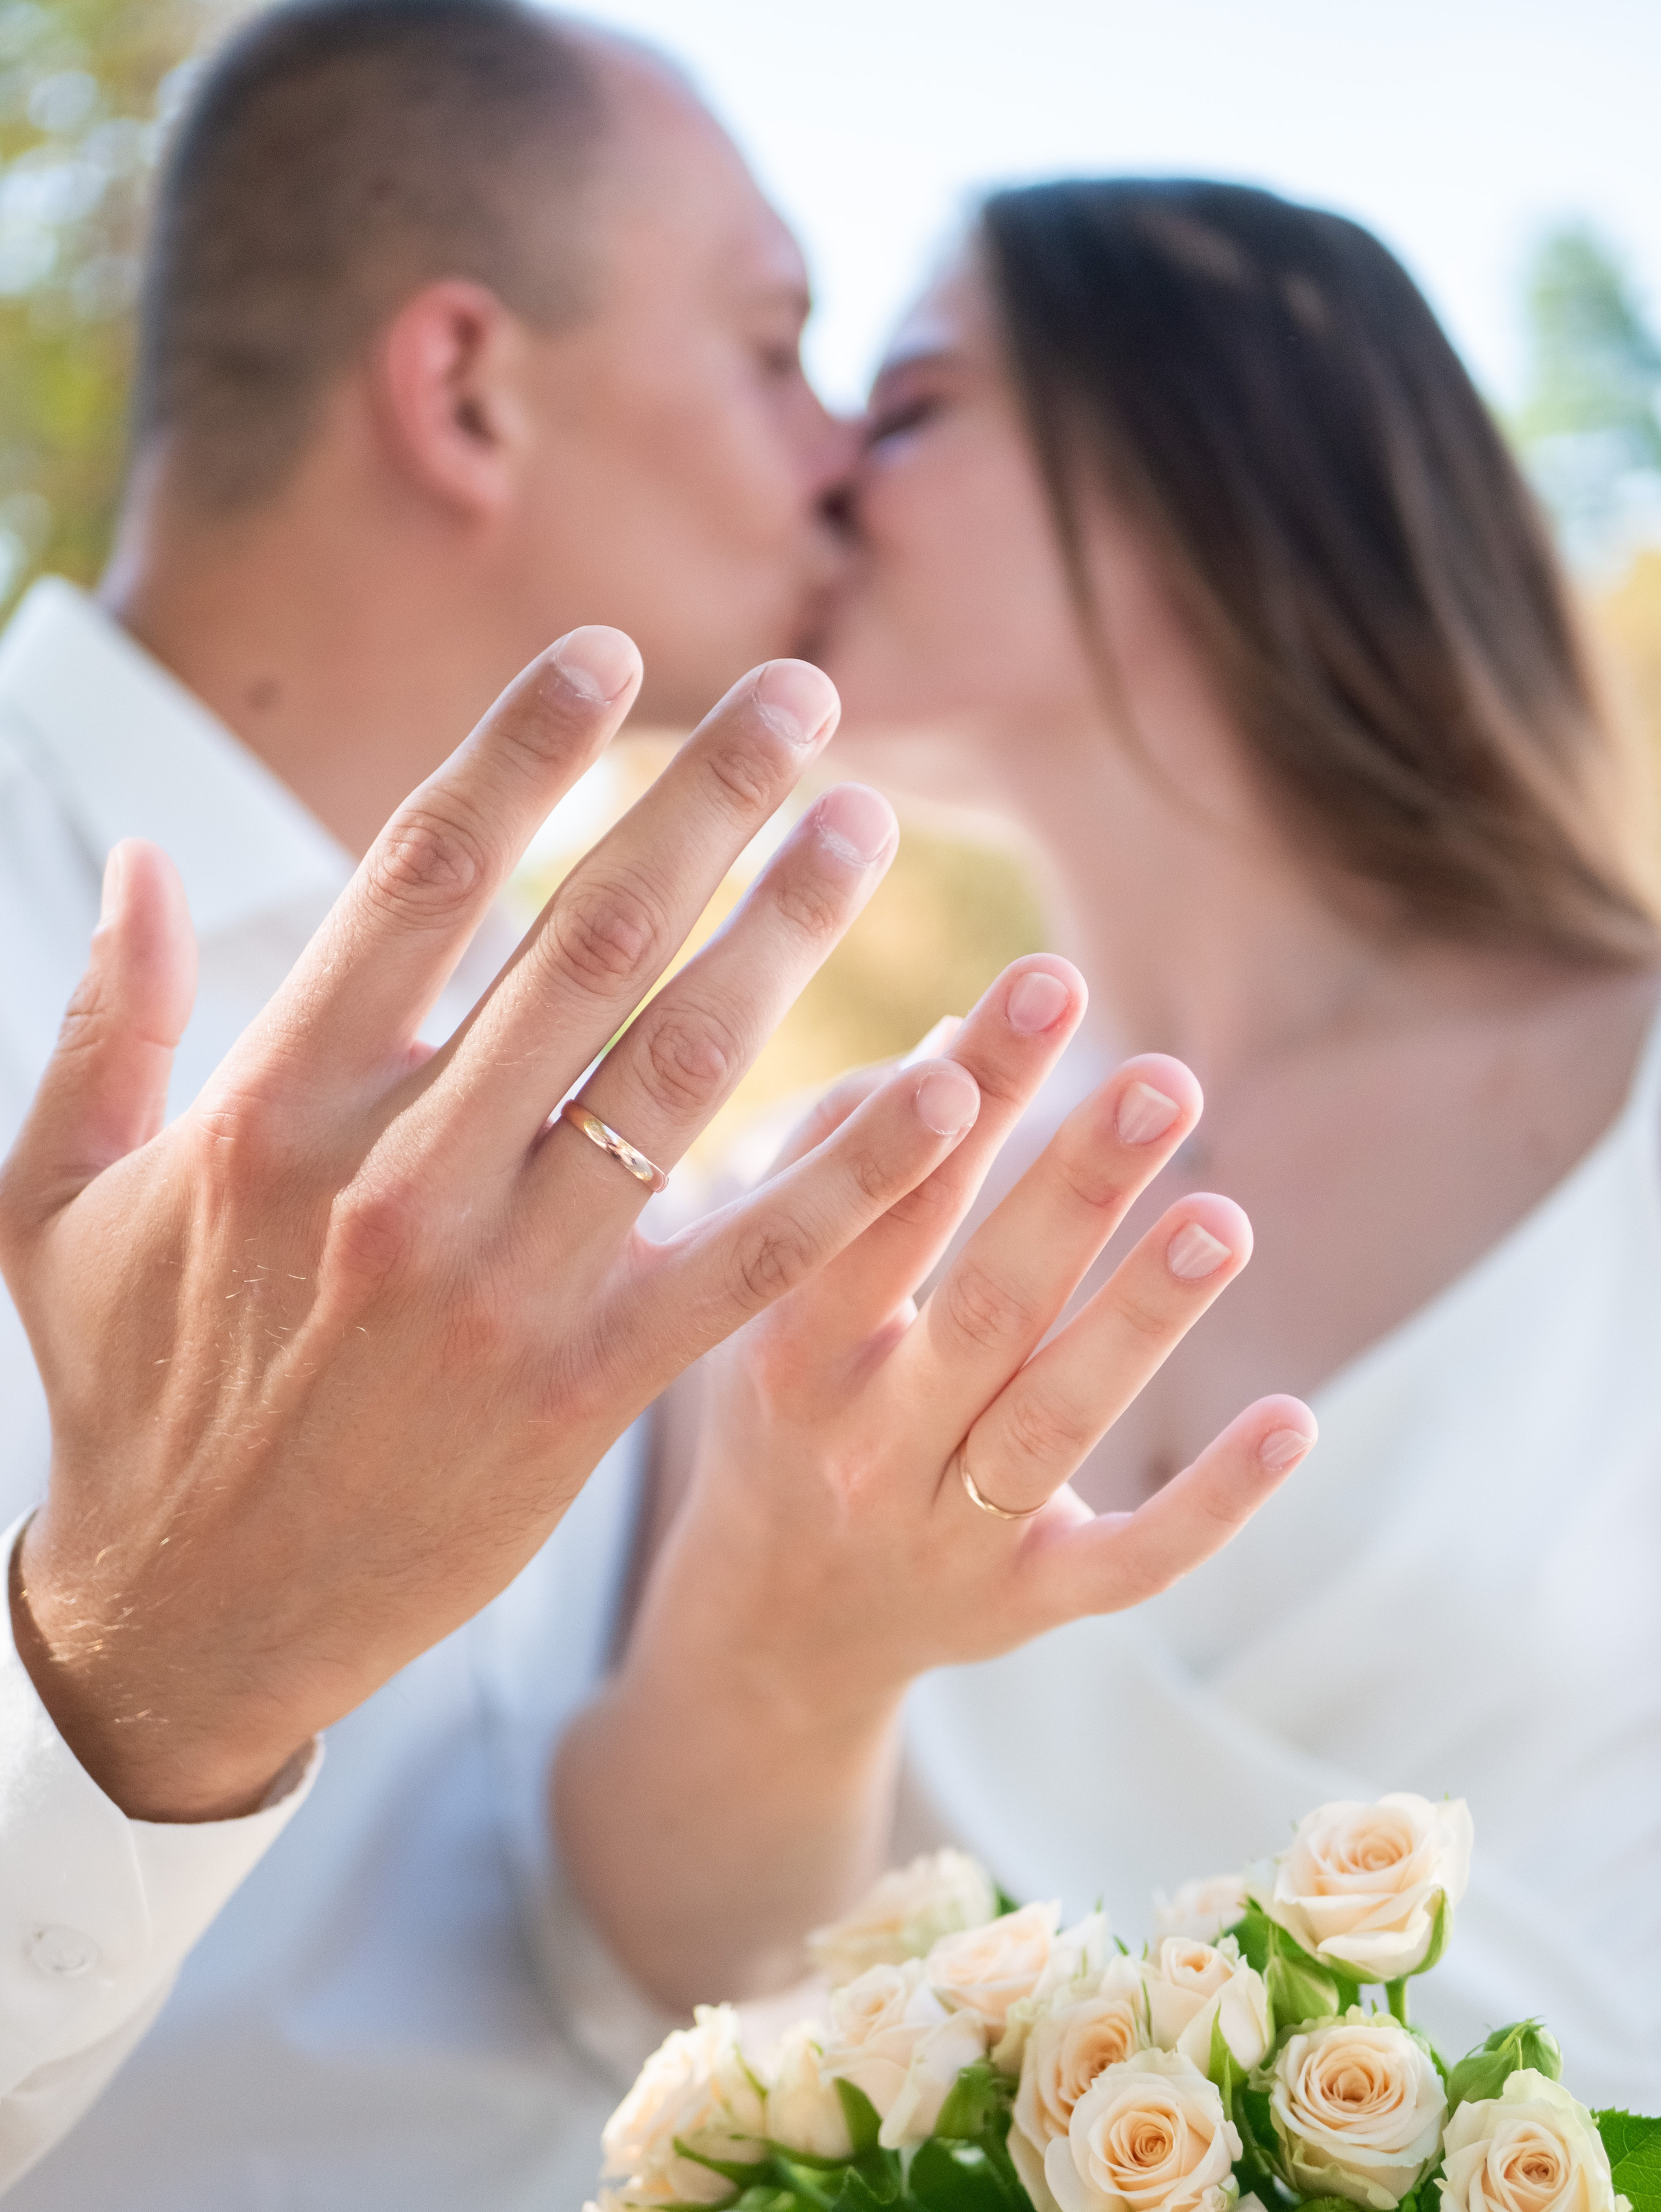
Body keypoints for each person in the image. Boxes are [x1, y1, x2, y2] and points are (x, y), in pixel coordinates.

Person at [0, 12, 1302, 2201]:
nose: (837, 463)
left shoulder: (627, 1083)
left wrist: (794, 1648)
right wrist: (139, 1675)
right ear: (469, 392)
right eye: (775, 346)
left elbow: (612, 1982)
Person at [558, 182, 1661, 2106]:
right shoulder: (826, 1206)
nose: (815, 469)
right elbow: (676, 1976)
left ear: (1208, 447)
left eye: (905, 406)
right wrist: (788, 1656)